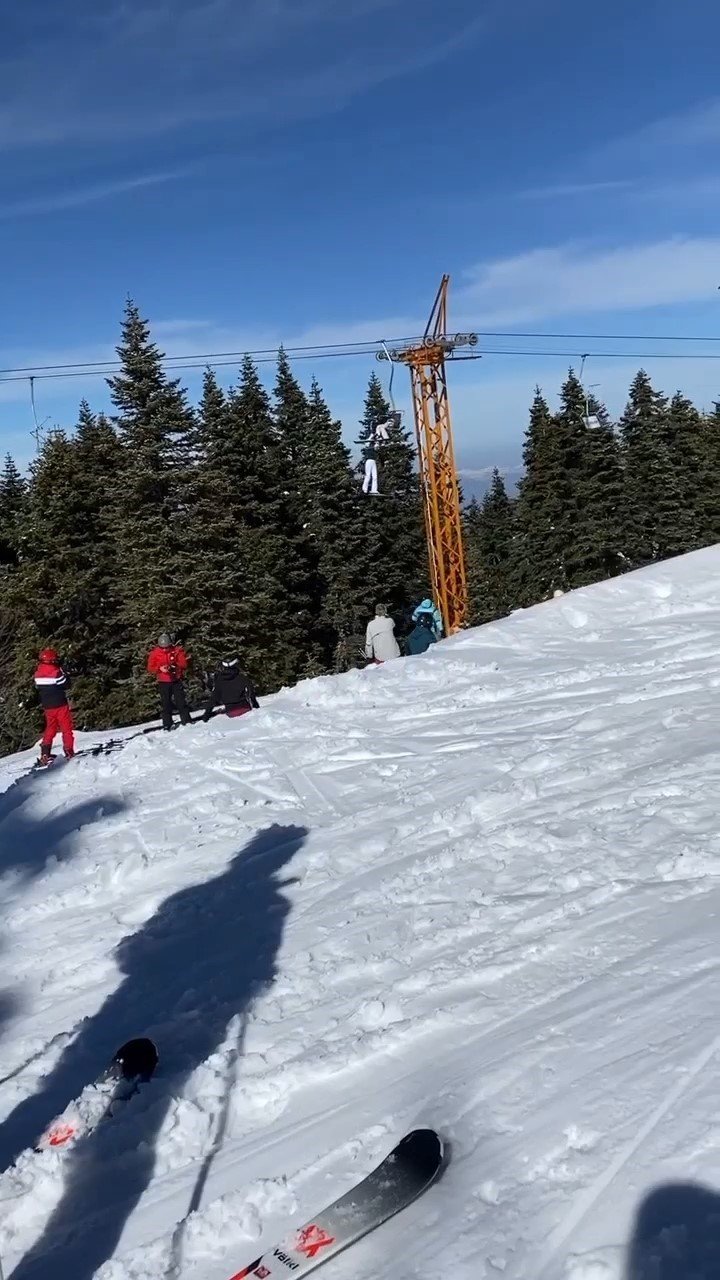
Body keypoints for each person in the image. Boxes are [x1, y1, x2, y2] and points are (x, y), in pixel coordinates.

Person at [34, 648, 75, 765]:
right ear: (52, 660)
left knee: (50, 728)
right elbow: (66, 685)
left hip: (47, 706)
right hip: (60, 704)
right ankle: (69, 751)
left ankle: (45, 753)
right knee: (66, 728)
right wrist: (66, 673)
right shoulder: (56, 672)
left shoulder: (37, 674)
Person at [147, 633, 191, 731]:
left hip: (176, 679)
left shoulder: (177, 650)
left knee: (181, 701)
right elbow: (150, 668)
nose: (165, 650)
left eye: (167, 647)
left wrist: (175, 666)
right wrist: (160, 668)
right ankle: (167, 723)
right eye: (163, 648)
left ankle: (186, 720)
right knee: (166, 703)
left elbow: (183, 663)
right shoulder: (154, 653)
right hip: (163, 681)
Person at [202, 655, 259, 721]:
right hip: (245, 709)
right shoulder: (242, 678)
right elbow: (251, 694)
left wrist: (206, 715)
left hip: (230, 712)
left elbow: (213, 699)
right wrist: (256, 707)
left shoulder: (219, 681)